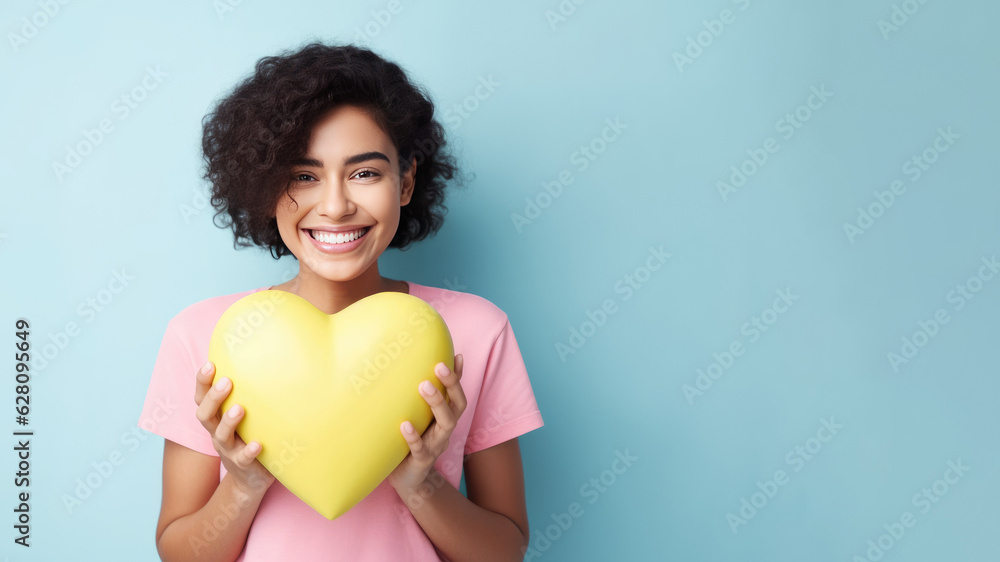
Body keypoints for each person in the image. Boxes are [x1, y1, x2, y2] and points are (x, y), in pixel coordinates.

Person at [137, 41, 544, 561]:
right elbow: (178, 553)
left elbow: (505, 551)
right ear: (265, 187)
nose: (334, 206)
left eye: (364, 173)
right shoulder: (205, 335)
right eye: (304, 176)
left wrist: (420, 483)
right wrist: (241, 483)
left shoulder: (476, 330)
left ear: (405, 182)